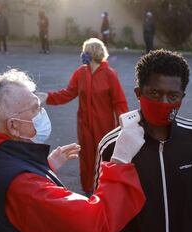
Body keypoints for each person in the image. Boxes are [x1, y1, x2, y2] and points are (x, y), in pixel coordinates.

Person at [0, 69, 146, 232]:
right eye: (35, 108)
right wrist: (120, 160)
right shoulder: (23, 186)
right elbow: (95, 222)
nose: (41, 112)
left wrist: (42, 168)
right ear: (13, 126)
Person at [95, 49, 192, 232]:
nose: (163, 102)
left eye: (172, 96)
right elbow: (101, 203)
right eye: (155, 93)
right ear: (138, 93)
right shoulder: (113, 144)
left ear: (182, 97)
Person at [38, 38, 128, 195]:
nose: (82, 55)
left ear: (92, 54)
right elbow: (68, 93)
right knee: (86, 159)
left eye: (85, 52)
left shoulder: (109, 75)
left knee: (103, 158)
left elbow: (119, 102)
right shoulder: (81, 73)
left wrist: (124, 125)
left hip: (104, 127)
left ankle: (104, 189)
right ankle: (88, 190)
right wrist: (47, 97)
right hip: (84, 125)